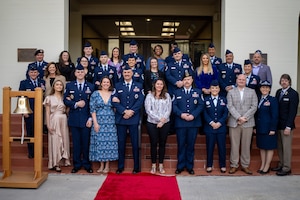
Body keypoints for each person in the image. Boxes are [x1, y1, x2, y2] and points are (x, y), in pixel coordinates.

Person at [112, 65, 144, 174]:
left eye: (128, 73)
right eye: (125, 73)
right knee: (121, 143)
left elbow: (140, 101)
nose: (126, 74)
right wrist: (124, 111)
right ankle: (120, 167)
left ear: (132, 73)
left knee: (135, 144)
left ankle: (136, 167)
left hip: (133, 118)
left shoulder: (139, 85)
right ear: (122, 74)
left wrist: (131, 112)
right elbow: (114, 101)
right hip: (121, 119)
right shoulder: (117, 85)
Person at [63, 64, 94, 173]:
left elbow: (93, 104)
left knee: (86, 143)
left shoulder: (91, 86)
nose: (80, 74)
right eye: (78, 72)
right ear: (75, 73)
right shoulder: (70, 86)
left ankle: (86, 164)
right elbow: (65, 100)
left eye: (82, 72)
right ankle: (76, 164)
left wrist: (90, 118)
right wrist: (75, 104)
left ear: (85, 72)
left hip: (86, 119)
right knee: (76, 143)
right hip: (74, 118)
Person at [172, 71, 204, 175]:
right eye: (185, 79)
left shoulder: (198, 92)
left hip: (193, 123)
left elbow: (201, 105)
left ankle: (190, 166)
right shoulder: (177, 92)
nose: (187, 81)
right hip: (181, 123)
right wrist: (181, 114)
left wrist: (193, 115)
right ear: (182, 81)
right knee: (181, 145)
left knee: (190, 145)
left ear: (192, 80)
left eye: (188, 79)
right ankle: (180, 166)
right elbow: (174, 106)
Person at [227, 74, 257, 175]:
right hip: (234, 122)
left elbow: (254, 106)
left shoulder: (252, 92)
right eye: (239, 79)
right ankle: (234, 165)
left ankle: (245, 165)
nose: (241, 81)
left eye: (243, 79)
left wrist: (244, 118)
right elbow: (230, 106)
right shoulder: (231, 92)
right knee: (234, 145)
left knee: (246, 145)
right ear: (236, 80)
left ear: (246, 81)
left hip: (248, 123)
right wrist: (239, 117)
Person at [89, 76, 118, 174]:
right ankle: (101, 165)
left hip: (110, 121)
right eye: (104, 82)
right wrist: (95, 122)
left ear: (110, 84)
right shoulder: (95, 94)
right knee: (100, 143)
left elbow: (116, 107)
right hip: (99, 121)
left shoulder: (113, 94)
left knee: (109, 143)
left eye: (108, 82)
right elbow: (92, 109)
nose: (106, 84)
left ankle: (107, 165)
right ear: (101, 83)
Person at [272, 74, 299, 176]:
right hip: (279, 124)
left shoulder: (293, 94)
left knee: (286, 147)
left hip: (287, 126)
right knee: (280, 147)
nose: (284, 82)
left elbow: (293, 112)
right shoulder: (279, 92)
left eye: (286, 81)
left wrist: (288, 126)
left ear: (289, 82)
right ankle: (281, 164)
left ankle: (287, 168)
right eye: (282, 80)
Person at [144, 78, 172, 174]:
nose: (159, 86)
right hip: (152, 123)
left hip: (165, 123)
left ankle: (160, 165)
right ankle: (153, 165)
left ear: (163, 85)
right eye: (157, 84)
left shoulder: (167, 95)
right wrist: (159, 119)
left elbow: (168, 109)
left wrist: (163, 120)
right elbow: (148, 110)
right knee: (153, 143)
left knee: (162, 144)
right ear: (154, 85)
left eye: (161, 84)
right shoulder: (149, 96)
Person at [43, 80, 71, 172]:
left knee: (64, 140)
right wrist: (48, 124)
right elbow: (47, 112)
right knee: (55, 141)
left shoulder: (65, 98)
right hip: (54, 119)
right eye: (57, 84)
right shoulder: (49, 98)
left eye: (61, 85)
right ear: (53, 86)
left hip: (63, 120)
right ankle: (55, 163)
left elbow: (66, 111)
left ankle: (64, 160)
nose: (59, 86)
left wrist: (69, 104)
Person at [19, 65, 45, 158]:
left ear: (38, 73)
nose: (33, 74)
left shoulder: (42, 82)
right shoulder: (24, 83)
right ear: (28, 73)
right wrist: (23, 111)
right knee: (30, 132)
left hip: (40, 111)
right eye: (31, 72)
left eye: (35, 72)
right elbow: (21, 97)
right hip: (29, 111)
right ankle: (31, 152)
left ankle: (39, 151)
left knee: (39, 131)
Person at [203, 80, 228, 173]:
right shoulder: (206, 100)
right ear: (210, 89)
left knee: (222, 147)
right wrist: (211, 122)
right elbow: (204, 113)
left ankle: (223, 165)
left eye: (216, 88)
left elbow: (225, 113)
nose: (214, 90)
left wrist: (220, 123)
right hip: (210, 128)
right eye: (212, 88)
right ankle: (209, 165)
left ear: (219, 89)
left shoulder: (223, 99)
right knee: (210, 147)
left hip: (221, 128)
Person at [254, 80, 278, 175]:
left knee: (269, 147)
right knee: (262, 147)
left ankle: (267, 166)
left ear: (269, 89)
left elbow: (275, 115)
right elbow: (256, 114)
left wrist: (273, 128)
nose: (265, 89)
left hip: (268, 128)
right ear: (260, 89)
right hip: (260, 128)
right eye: (263, 87)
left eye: (267, 88)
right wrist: (255, 127)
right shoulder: (258, 99)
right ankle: (262, 165)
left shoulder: (272, 100)